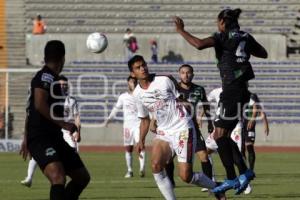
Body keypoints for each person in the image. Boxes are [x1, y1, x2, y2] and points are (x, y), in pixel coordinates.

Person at [173, 8, 268, 195]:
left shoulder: (222, 36)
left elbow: (199, 44)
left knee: (219, 136)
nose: (217, 25)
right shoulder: (246, 36)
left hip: (231, 91)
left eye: (218, 22)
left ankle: (234, 177)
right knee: (222, 135)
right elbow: (263, 53)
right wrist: (243, 53)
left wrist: (181, 30)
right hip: (243, 92)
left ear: (223, 23)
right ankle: (244, 173)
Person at [128, 55, 225, 200]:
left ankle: (216, 187)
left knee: (186, 176)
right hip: (164, 132)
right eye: (138, 67)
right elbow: (144, 119)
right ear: (132, 73)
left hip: (182, 128)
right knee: (155, 166)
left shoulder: (164, 80)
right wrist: (141, 140)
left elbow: (181, 98)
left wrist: (191, 113)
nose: (143, 68)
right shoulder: (137, 94)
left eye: (144, 65)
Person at [19, 40, 90, 200]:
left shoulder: (54, 79)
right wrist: (64, 124)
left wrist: (25, 137)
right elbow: (39, 104)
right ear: (62, 58)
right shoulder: (46, 76)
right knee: (58, 177)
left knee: (82, 177)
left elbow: (30, 109)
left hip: (54, 137)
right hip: (41, 138)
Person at [20, 75, 82, 187]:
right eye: (61, 84)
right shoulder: (51, 98)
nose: (63, 87)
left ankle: (64, 177)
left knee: (72, 155)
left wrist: (77, 131)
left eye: (65, 85)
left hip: (68, 131)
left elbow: (77, 117)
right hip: (55, 130)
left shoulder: (72, 100)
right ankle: (29, 177)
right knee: (37, 153)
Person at [164, 64, 214, 191]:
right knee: (169, 158)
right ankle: (170, 183)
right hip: (174, 128)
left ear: (193, 74)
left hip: (192, 128)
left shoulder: (199, 89)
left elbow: (206, 106)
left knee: (204, 156)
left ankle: (209, 185)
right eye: (183, 72)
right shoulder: (173, 89)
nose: (186, 75)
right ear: (179, 74)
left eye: (188, 72)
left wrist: (209, 122)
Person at [104, 76, 146, 178]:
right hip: (127, 126)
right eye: (132, 82)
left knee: (140, 146)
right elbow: (116, 108)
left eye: (135, 82)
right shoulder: (123, 96)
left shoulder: (141, 95)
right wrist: (109, 118)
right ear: (128, 83)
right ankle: (130, 170)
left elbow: (148, 108)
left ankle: (142, 169)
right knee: (128, 148)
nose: (134, 83)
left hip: (138, 125)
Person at [241, 92, 269, 194]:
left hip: (249, 125)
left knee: (249, 147)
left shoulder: (252, 96)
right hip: (239, 125)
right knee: (241, 150)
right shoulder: (237, 94)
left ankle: (251, 170)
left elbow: (260, 111)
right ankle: (244, 171)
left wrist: (266, 124)